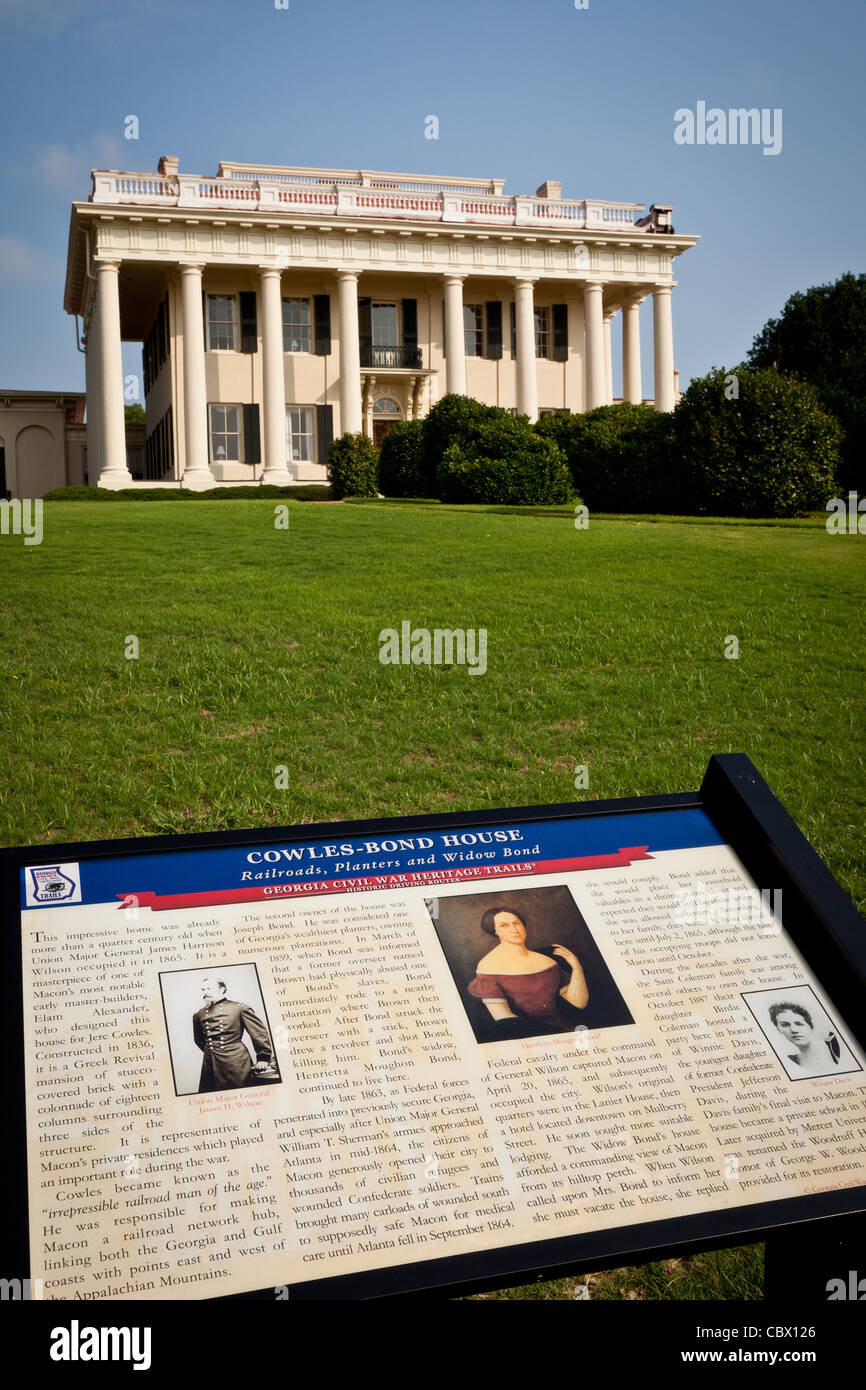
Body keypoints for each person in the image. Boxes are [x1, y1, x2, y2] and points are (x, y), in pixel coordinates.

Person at [467, 906, 588, 1032]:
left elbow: (578, 1003)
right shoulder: (488, 966)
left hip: (565, 1028)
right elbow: (504, 1020)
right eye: (504, 925)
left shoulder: (547, 960)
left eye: (516, 923)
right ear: (494, 930)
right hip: (526, 1033)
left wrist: (577, 968)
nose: (514, 930)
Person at [193, 976, 275, 1092]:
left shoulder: (239, 1008)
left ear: (221, 989)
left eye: (209, 989)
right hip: (210, 1062)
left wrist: (263, 1057)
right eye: (203, 990)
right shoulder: (199, 1014)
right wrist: (213, 1050)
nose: (205, 992)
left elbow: (259, 1033)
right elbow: (199, 1040)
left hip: (235, 1061)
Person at [769, 1001, 841, 1078]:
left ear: (810, 1026)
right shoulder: (791, 1061)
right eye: (785, 1025)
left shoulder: (834, 1050)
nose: (793, 1030)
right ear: (778, 1029)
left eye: (799, 1024)